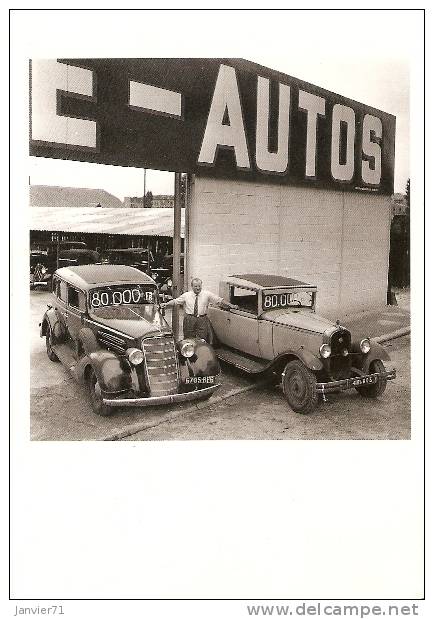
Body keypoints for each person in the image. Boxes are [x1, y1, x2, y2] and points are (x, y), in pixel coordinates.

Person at [161, 277, 238, 343]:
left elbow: (219, 300)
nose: (198, 288)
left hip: (202, 319)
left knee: (202, 339)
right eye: (195, 286)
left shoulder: (207, 294)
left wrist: (231, 305)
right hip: (189, 319)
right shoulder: (186, 295)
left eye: (199, 286)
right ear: (192, 286)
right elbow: (175, 301)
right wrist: (166, 304)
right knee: (188, 339)